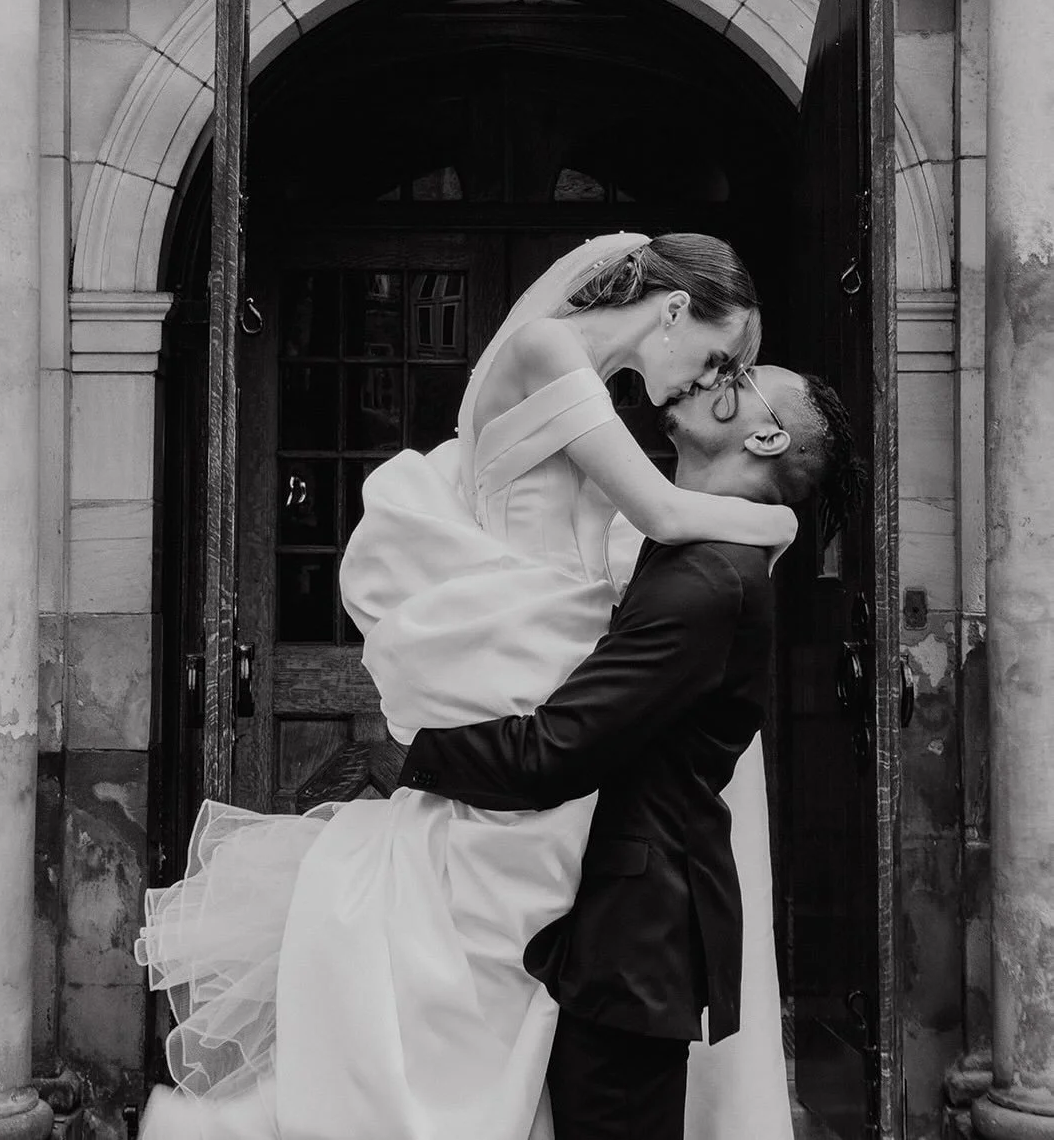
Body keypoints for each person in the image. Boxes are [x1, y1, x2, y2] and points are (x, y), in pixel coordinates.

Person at [136, 232, 795, 1140]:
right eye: (719, 357)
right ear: (676, 308)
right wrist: (781, 514)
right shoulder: (547, 349)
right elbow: (661, 512)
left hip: (552, 640)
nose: (700, 383)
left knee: (523, 930)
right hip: (529, 655)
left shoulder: (583, 380)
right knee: (504, 913)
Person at [396, 366, 864, 1140]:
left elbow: (556, 751)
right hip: (620, 922)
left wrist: (412, 750)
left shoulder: (710, 578)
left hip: (633, 938)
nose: (712, 372)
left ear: (766, 434)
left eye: (740, 375)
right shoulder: (696, 547)